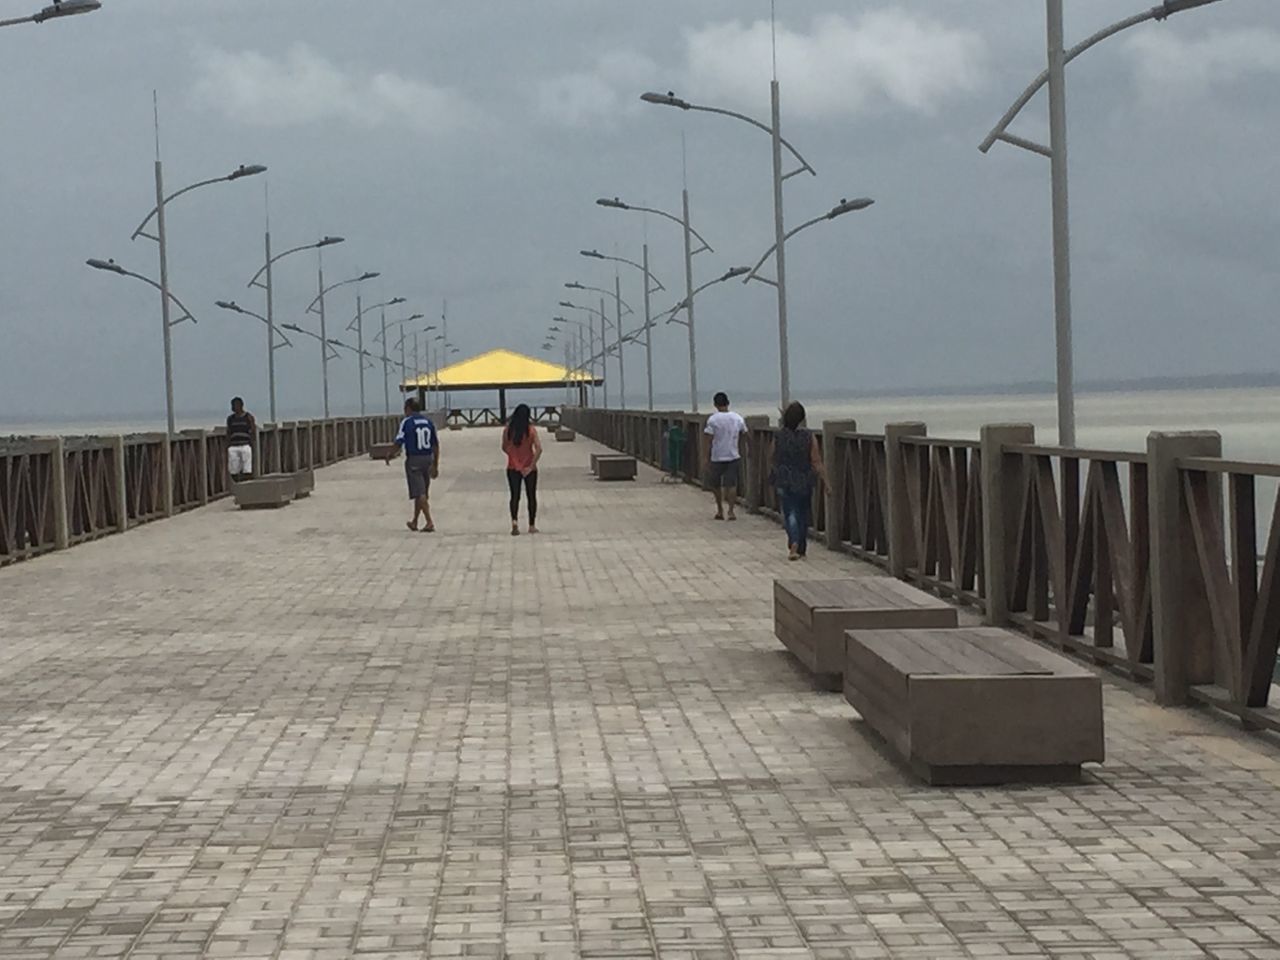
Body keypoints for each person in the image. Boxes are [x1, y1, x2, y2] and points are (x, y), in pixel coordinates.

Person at [771, 400, 828, 561]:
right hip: (804, 479)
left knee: (790, 512)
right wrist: (826, 482)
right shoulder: (809, 436)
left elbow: (771, 456)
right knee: (802, 513)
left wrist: (776, 470)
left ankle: (794, 542)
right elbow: (816, 460)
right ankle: (801, 546)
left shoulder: (778, 435)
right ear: (802, 418)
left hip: (784, 478)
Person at [386, 397, 439, 532]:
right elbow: (435, 445)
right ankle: (415, 521)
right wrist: (435, 464)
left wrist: (390, 454)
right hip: (427, 458)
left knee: (419, 492)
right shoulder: (428, 422)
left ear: (408, 409)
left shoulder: (407, 422)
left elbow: (399, 440)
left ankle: (429, 521)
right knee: (422, 492)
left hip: (414, 459)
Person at [703, 391, 749, 521]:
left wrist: (705, 457)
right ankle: (731, 511)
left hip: (717, 456)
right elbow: (745, 434)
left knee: (716, 484)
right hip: (733, 455)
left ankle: (720, 510)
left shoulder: (713, 420)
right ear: (728, 403)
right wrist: (748, 448)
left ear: (715, 404)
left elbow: (708, 439)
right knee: (732, 484)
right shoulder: (737, 418)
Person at [502, 403, 542, 535]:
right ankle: (531, 525)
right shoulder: (531, 430)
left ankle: (514, 523)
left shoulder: (508, 430)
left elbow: (504, 446)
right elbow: (539, 449)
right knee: (531, 496)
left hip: (513, 467)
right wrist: (531, 465)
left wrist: (513, 456)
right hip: (529, 468)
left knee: (515, 496)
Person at [226, 397, 256, 482]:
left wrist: (251, 442)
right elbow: (228, 432)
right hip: (233, 446)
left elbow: (253, 430)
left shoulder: (248, 417)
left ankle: (246, 485)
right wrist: (227, 444)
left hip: (245, 445)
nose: (233, 408)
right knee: (233, 469)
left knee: (247, 468)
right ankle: (237, 483)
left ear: (241, 406)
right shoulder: (230, 419)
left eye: (235, 405)